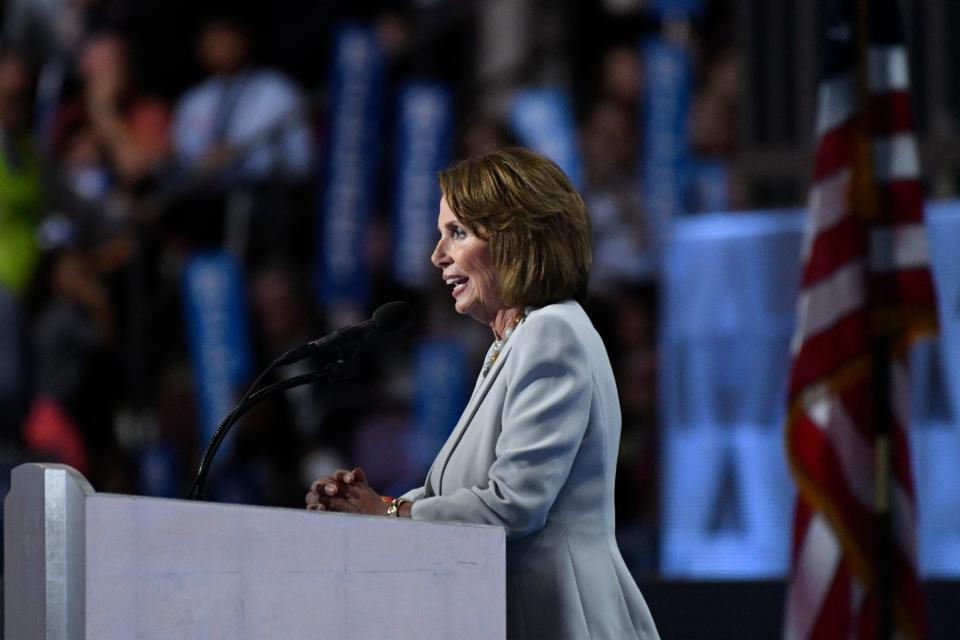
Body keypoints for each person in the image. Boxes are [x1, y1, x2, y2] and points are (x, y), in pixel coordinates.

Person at [306, 147, 660, 639]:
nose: (436, 255)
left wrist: (385, 512)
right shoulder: (510, 344)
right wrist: (365, 506)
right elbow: (447, 497)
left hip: (560, 618)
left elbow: (514, 504)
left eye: (457, 233)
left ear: (516, 239)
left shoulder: (551, 333)